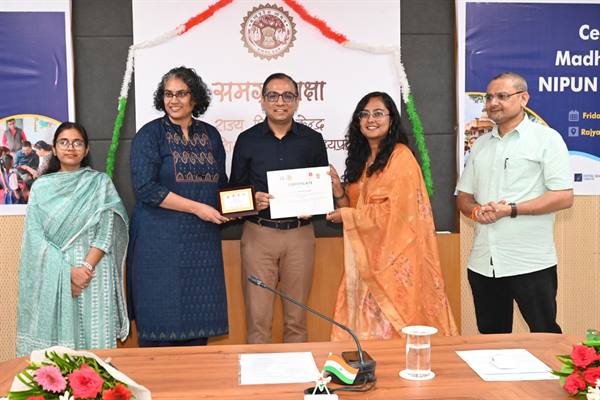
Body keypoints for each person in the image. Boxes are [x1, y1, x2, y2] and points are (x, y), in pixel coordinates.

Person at [326, 91, 457, 340]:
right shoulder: (362, 159)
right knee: (366, 331)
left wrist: (349, 215)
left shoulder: (401, 157)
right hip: (366, 261)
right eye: (364, 114)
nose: (370, 119)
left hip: (395, 262)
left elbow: (399, 214)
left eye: (378, 113)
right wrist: (339, 194)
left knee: (394, 327)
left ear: (391, 119)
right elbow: (354, 207)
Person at [456, 72, 573, 334]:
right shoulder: (480, 144)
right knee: (492, 340)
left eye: (502, 96)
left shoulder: (547, 139)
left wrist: (511, 210)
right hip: (484, 263)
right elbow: (463, 197)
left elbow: (564, 196)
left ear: (523, 98)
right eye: (489, 97)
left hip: (529, 262)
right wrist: (476, 211)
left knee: (544, 335)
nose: (493, 103)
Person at [127, 66, 229, 347]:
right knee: (160, 322)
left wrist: (247, 203)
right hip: (158, 243)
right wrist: (197, 208)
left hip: (201, 245)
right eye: (168, 94)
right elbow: (146, 188)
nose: (174, 100)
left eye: (181, 94)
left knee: (199, 327)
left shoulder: (210, 135)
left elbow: (221, 185)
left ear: (194, 98)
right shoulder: (150, 135)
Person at [230, 72, 328, 344]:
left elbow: (322, 188)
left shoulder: (312, 139)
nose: (280, 102)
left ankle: (296, 371)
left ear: (297, 101)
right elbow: (233, 192)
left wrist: (314, 206)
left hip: (300, 234)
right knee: (258, 320)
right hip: (259, 234)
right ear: (262, 101)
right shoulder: (247, 139)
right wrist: (252, 200)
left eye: (287, 95)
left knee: (297, 320)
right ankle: (258, 372)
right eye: (273, 95)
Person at [16, 122, 129, 356]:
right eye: (64, 142)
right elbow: (35, 236)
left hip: (95, 274)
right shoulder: (41, 187)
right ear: (54, 149)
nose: (70, 147)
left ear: (86, 149)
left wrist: (85, 270)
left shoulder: (100, 183)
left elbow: (106, 231)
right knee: (59, 354)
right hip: (55, 274)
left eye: (77, 143)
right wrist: (67, 273)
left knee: (95, 344)